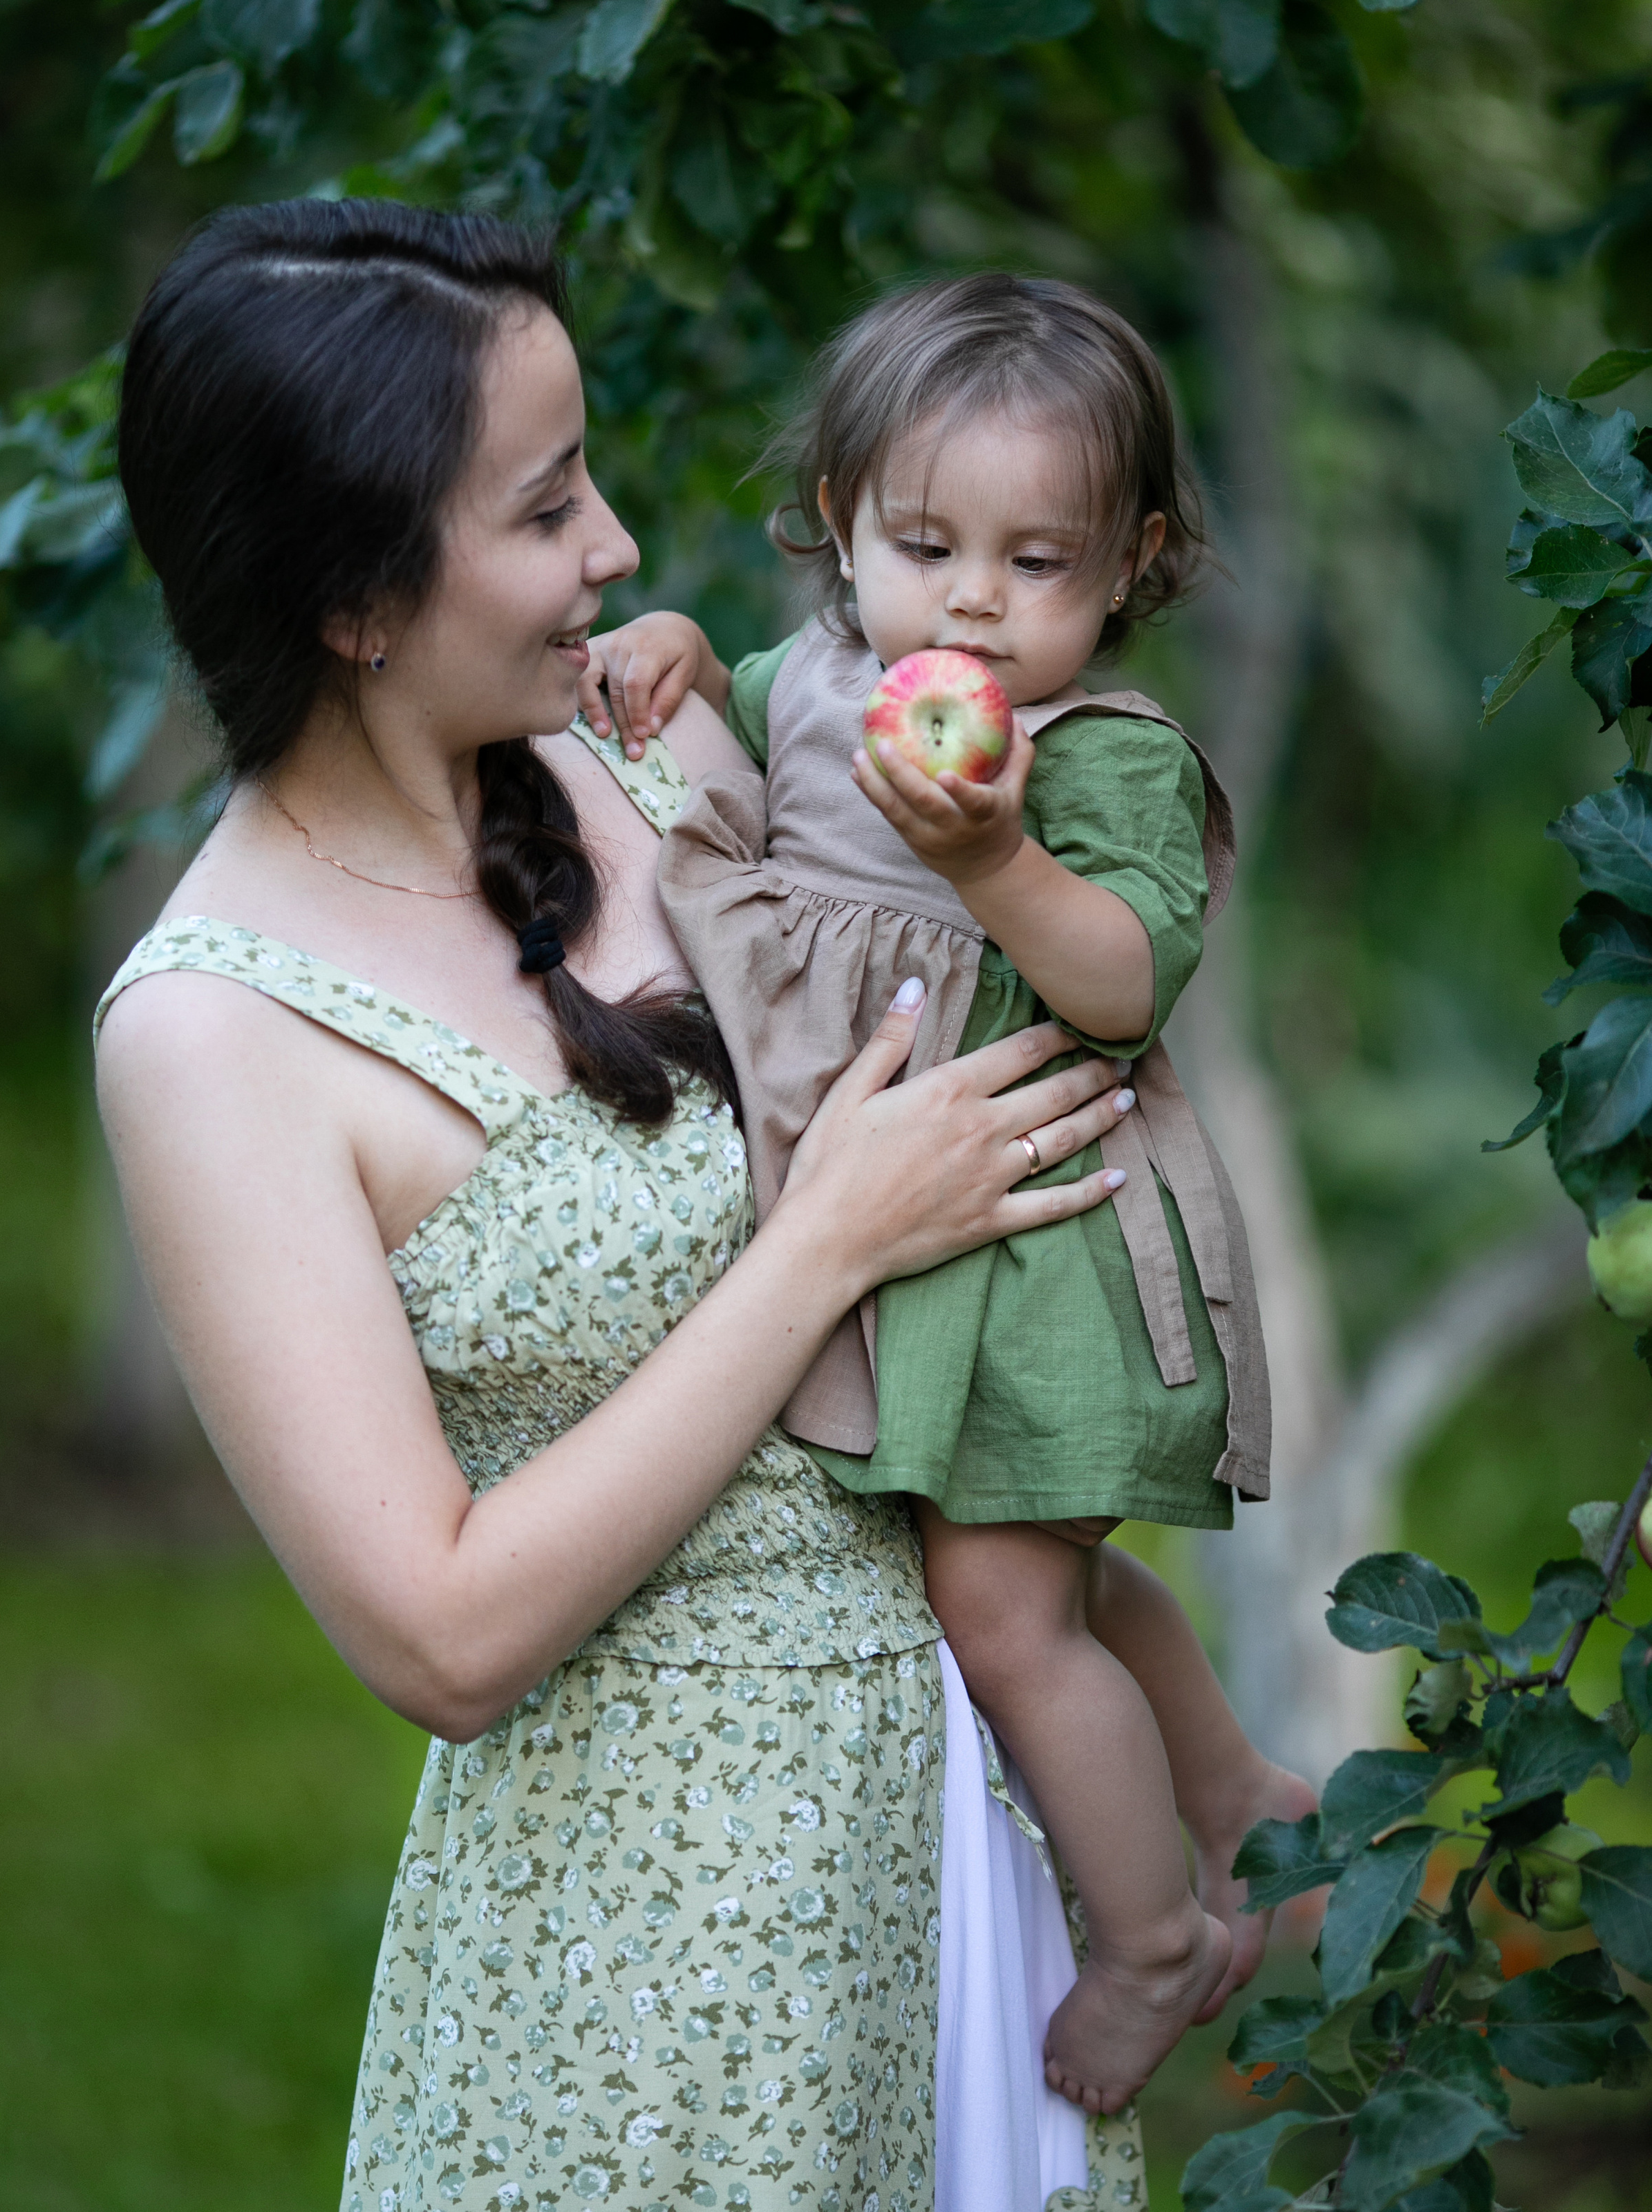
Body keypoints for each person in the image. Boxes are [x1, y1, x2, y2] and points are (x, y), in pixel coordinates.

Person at [93, 203, 1145, 2212]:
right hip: (648, 1967)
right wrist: (825, 1241)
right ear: (357, 600)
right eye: (549, 503)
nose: (619, 551)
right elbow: (444, 1632)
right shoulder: (213, 1035)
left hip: (956, 1811)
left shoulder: (638, 749)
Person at [579, 273, 1318, 2116]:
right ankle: (1234, 1794)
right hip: (905, 1233)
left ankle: (1157, 1937)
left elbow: (1129, 980)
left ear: (1134, 561)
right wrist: (673, 639)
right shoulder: (822, 679)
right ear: (841, 521)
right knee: (1036, 1565)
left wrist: (992, 856)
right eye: (927, 545)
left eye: (1039, 562)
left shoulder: (1104, 756)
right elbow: (738, 714)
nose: (975, 603)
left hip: (1033, 1232)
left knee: (1002, 1609)